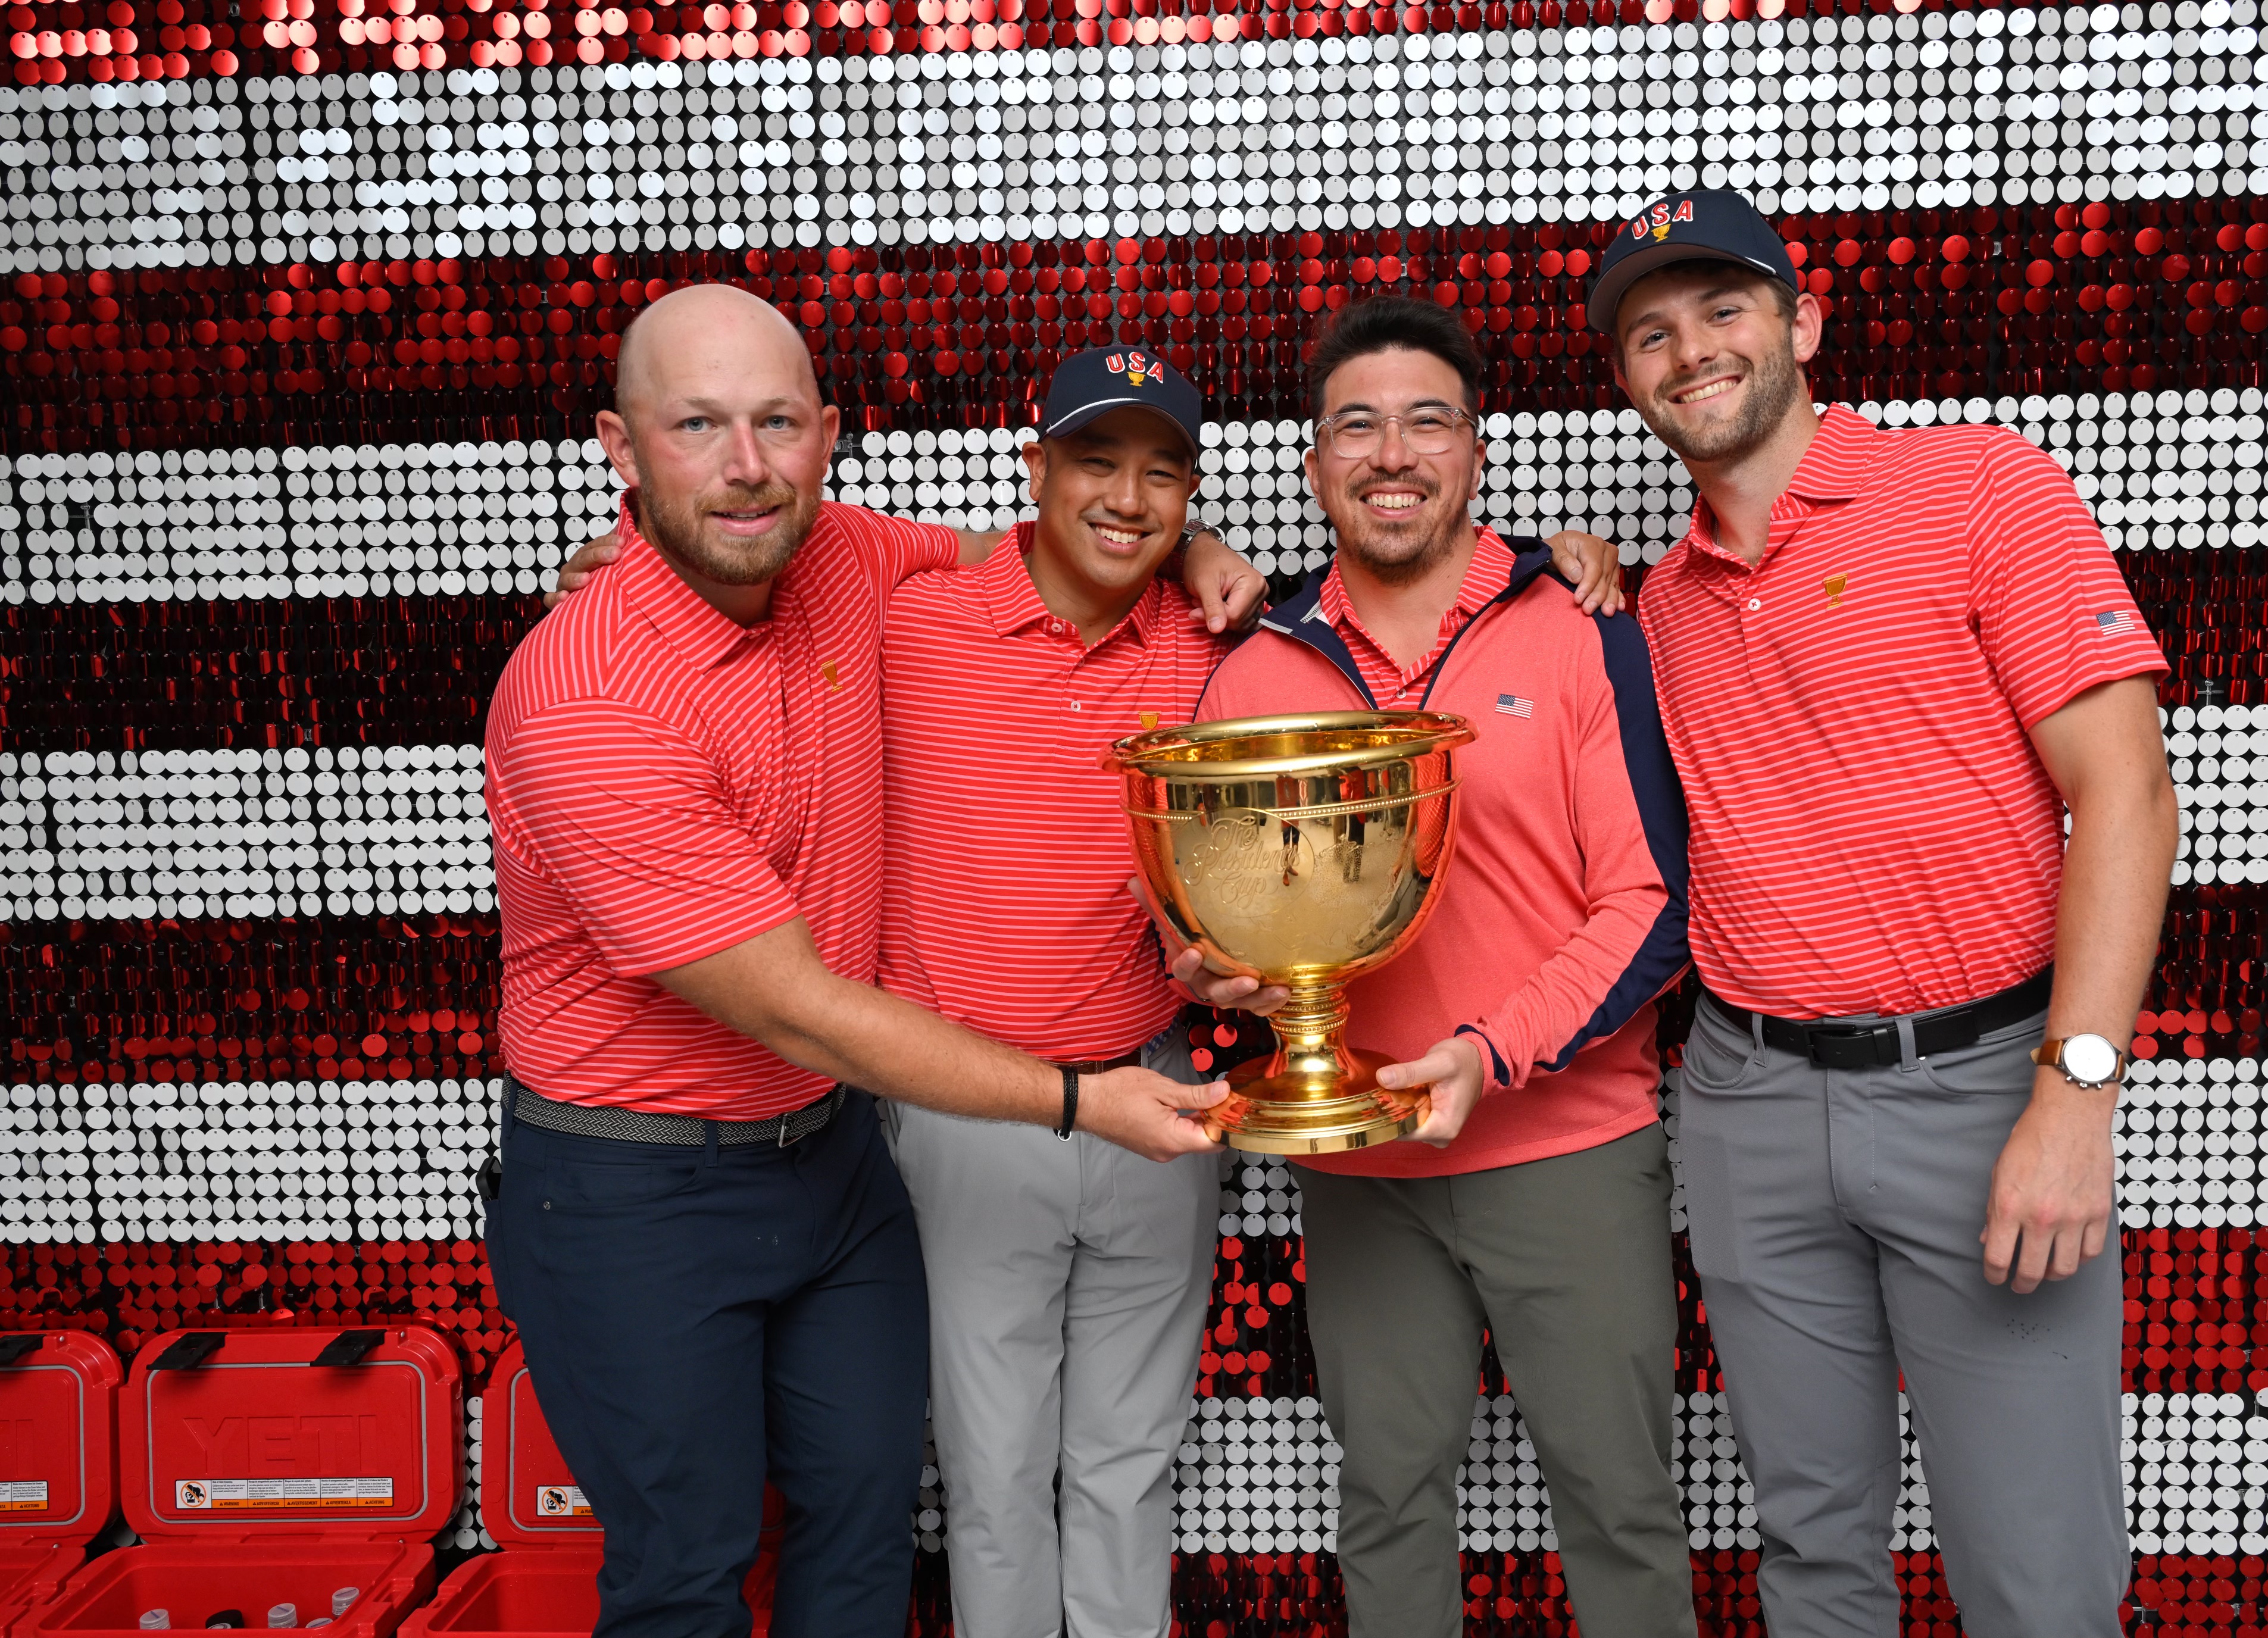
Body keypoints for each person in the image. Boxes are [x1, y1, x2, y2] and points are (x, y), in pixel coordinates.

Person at [537, 325, 1632, 1638]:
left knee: (1129, 1463)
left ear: (1193, 496)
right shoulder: (903, 605)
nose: (1125, 496)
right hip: (962, 1108)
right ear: (1032, 471)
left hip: (1157, 1099)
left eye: (1162, 473)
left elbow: (1246, 869)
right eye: (1093, 461)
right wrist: (629, 557)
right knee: (990, 1478)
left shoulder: (1220, 639)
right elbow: (743, 549)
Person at [483, 285, 1235, 1638]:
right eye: (696, 426)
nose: (745, 465)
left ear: (828, 434)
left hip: (830, 1161)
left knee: (863, 1522)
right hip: (635, 1181)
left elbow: (1061, 538)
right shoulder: (587, 689)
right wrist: (1078, 1098)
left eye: (775, 422)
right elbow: (805, 1011)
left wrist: (1191, 546)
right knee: (690, 1563)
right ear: (619, 445)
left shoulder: (841, 554)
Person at [1586, 190, 2178, 1637]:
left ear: (1803, 322)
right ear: (1626, 382)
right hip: (1744, 1102)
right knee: (1814, 1553)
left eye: (1724, 310)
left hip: (1981, 1089)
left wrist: (2074, 1096)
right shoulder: (1656, 605)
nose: (1692, 353)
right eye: (1650, 335)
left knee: (2036, 1574)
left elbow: (2128, 792)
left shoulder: (1980, 487)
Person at [1177, 295, 1697, 1638]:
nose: (1392, 453)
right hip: (1362, 1166)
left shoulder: (1579, 624)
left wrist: (1491, 1051)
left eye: (1427, 422)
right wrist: (1210, 969)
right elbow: (1201, 909)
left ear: (1477, 451)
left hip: (1565, 1144)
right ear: (1312, 466)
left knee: (1621, 1503)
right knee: (1389, 1499)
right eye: (1357, 425)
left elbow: (1648, 902)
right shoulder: (1253, 669)